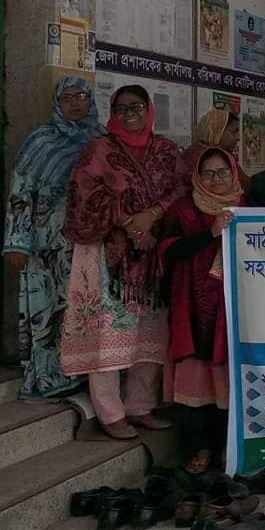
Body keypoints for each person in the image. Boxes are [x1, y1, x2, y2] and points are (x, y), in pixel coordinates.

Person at [63, 85, 185, 440]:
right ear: (112, 113)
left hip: (153, 257)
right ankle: (110, 412)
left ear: (149, 109)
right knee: (109, 332)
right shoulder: (99, 149)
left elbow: (180, 189)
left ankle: (140, 406)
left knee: (150, 332)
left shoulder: (166, 150)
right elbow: (83, 194)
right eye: (121, 108)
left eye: (136, 107)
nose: (130, 114)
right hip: (108, 255)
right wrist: (130, 224)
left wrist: (151, 215)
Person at [3, 77, 104, 399]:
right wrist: (16, 242)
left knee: (82, 307)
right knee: (47, 309)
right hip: (45, 244)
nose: (74, 102)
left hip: (88, 243)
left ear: (90, 100)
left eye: (81, 96)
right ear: (57, 103)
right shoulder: (40, 142)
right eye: (66, 97)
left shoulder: (101, 140)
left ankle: (83, 373)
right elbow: (20, 193)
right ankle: (48, 376)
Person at [159, 148, 242, 473]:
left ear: (233, 173)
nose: (216, 179)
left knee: (230, 381)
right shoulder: (183, 209)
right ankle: (199, 447)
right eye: (208, 173)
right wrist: (210, 233)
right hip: (192, 305)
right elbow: (170, 251)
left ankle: (227, 447)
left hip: (233, 308)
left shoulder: (247, 207)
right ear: (197, 176)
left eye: (222, 172)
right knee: (196, 382)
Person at [181, 109, 247, 190]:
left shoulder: (193, 151)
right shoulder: (210, 157)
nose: (238, 138)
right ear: (217, 131)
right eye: (234, 132)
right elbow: (246, 187)